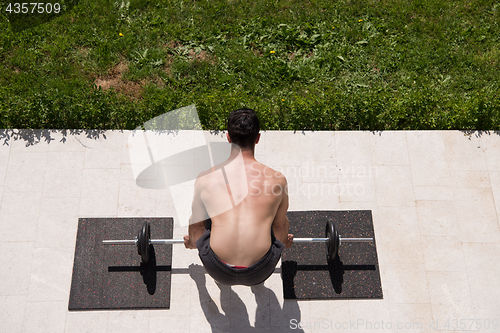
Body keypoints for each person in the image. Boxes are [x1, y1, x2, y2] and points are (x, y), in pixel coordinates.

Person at [183, 108, 293, 285]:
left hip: (218, 269)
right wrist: (283, 244)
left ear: (228, 137)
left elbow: (196, 227)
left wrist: (193, 244)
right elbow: (280, 228)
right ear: (257, 138)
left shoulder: (205, 179)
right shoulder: (277, 180)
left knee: (208, 216)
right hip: (260, 270)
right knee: (274, 219)